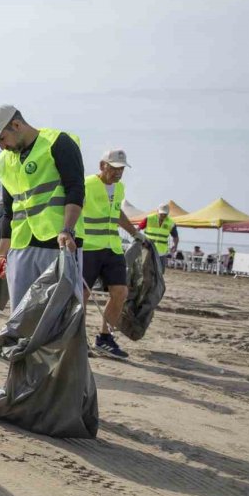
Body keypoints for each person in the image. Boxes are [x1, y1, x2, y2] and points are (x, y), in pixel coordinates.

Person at [0, 105, 86, 314]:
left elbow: (75, 188)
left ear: (17, 125)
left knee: (60, 314)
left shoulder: (58, 143)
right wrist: (1, 255)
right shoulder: (5, 160)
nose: (2, 147)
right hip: (21, 245)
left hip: (59, 243)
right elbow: (9, 211)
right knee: (21, 315)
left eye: (2, 139)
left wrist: (68, 229)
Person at [81, 149, 146, 358]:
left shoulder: (119, 189)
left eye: (122, 169)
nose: (118, 173)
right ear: (103, 165)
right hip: (89, 247)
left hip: (112, 248)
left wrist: (135, 233)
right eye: (115, 168)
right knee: (81, 295)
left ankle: (105, 338)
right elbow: (72, 207)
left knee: (120, 293)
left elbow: (117, 213)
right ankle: (77, 339)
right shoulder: (86, 184)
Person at [138, 204, 179, 270]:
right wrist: (139, 240)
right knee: (144, 269)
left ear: (168, 213)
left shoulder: (171, 223)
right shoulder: (149, 218)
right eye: (161, 213)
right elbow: (138, 229)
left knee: (160, 271)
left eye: (165, 214)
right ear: (157, 211)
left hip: (161, 251)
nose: (163, 215)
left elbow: (175, 237)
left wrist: (175, 245)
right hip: (147, 248)